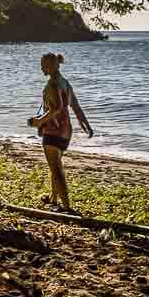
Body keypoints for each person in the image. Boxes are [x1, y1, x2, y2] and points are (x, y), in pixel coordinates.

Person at [30, 53, 93, 212]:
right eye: (42, 65)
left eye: (45, 65)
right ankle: (53, 199)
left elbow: (56, 108)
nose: (42, 68)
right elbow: (75, 105)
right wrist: (84, 123)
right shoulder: (65, 82)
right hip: (66, 131)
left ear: (56, 65)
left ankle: (66, 207)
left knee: (56, 169)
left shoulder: (52, 84)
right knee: (55, 166)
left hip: (53, 130)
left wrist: (38, 122)